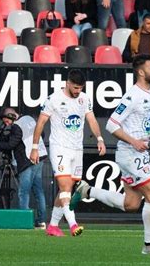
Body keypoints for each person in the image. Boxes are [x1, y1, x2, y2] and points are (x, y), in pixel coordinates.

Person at [70, 54, 150, 255]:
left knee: (131, 204)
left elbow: (137, 124)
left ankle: (87, 191)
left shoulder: (148, 95)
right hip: (130, 154)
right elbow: (111, 124)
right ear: (141, 72)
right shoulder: (132, 96)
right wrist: (134, 141)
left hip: (138, 153)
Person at [30, 69, 106, 237]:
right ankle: (73, 224)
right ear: (68, 83)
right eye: (76, 87)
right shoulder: (54, 99)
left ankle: (53, 226)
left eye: (81, 88)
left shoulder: (84, 99)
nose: (78, 91)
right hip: (60, 147)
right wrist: (35, 147)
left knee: (67, 189)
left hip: (77, 148)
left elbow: (91, 119)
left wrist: (99, 138)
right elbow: (41, 122)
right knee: (64, 186)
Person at [0, 107, 47, 229]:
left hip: (27, 159)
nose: (7, 124)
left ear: (11, 116)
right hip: (40, 156)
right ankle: (41, 221)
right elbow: (43, 133)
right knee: (38, 191)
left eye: (7, 121)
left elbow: (11, 144)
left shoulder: (16, 126)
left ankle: (25, 221)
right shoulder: (30, 119)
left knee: (23, 192)